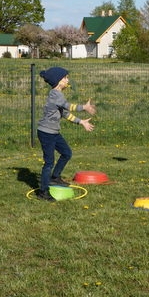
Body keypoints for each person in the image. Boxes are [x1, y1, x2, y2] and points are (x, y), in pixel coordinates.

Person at [36, 66, 96, 202]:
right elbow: (69, 106)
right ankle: (43, 191)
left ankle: (55, 177)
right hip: (46, 133)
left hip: (54, 132)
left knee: (66, 153)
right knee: (49, 162)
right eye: (65, 77)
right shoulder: (55, 94)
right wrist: (84, 107)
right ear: (58, 81)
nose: (68, 79)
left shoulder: (58, 95)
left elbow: (65, 113)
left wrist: (81, 122)